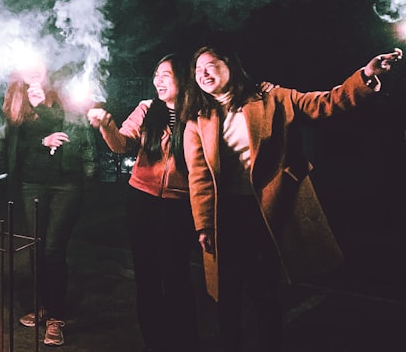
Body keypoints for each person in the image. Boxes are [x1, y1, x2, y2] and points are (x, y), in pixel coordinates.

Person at [182, 45, 403, 352]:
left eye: (210, 65)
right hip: (226, 215)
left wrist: (365, 76)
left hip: (267, 210)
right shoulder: (197, 120)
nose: (203, 73)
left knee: (265, 292)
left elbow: (325, 103)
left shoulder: (272, 98)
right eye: (197, 70)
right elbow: (199, 176)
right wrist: (204, 225)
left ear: (230, 65)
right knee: (227, 294)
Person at [87, 54, 200, 352]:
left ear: (184, 78)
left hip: (181, 204)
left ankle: (184, 341)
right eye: (156, 74)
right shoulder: (147, 109)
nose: (157, 80)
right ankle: (155, 342)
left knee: (175, 274)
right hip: (142, 200)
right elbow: (121, 143)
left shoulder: (201, 112)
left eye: (166, 74)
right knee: (146, 274)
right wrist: (107, 123)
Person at [0, 55, 96, 347]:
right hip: (31, 181)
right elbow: (12, 143)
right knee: (36, 247)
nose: (33, 68)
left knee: (53, 249)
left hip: (66, 181)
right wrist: (40, 142)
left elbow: (75, 132)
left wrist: (42, 108)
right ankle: (43, 305)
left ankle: (55, 316)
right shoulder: (14, 99)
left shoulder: (62, 94)